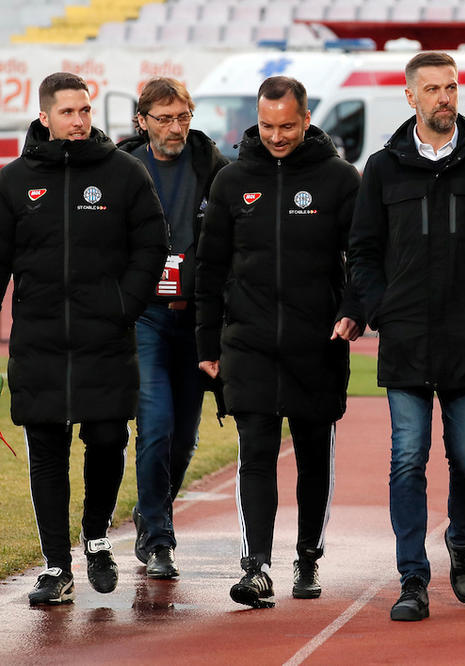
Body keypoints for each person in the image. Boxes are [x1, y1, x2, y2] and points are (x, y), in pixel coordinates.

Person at [349, 51, 465, 621]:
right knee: (407, 459)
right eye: (431, 89)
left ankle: (462, 539)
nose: (444, 97)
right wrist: (382, 309)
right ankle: (413, 579)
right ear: (411, 97)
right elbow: (363, 250)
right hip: (405, 339)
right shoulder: (383, 167)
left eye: (450, 87)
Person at [196, 76, 363, 609]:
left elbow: (364, 257)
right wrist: (207, 343)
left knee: (313, 456)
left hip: (317, 343)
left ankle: (308, 557)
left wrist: (353, 311)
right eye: (267, 126)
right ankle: (256, 567)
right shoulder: (231, 181)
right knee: (256, 452)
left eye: (287, 126)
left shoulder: (340, 179)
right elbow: (209, 267)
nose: (276, 136)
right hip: (248, 342)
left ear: (307, 119)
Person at [0, 72, 167, 605]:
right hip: (39, 341)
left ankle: (96, 538)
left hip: (105, 339)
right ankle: (56, 566)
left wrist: (124, 305)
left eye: (85, 111)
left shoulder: (124, 173)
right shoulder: (13, 181)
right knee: (46, 453)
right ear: (44, 117)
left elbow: (152, 245)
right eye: (67, 112)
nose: (78, 121)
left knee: (108, 440)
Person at [117, 77, 228, 580]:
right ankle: (159, 538)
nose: (176, 127)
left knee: (184, 438)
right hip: (146, 316)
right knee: (156, 426)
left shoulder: (214, 167)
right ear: (142, 121)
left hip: (198, 318)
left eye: (183, 116)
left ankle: (151, 511)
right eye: (164, 119)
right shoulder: (123, 169)